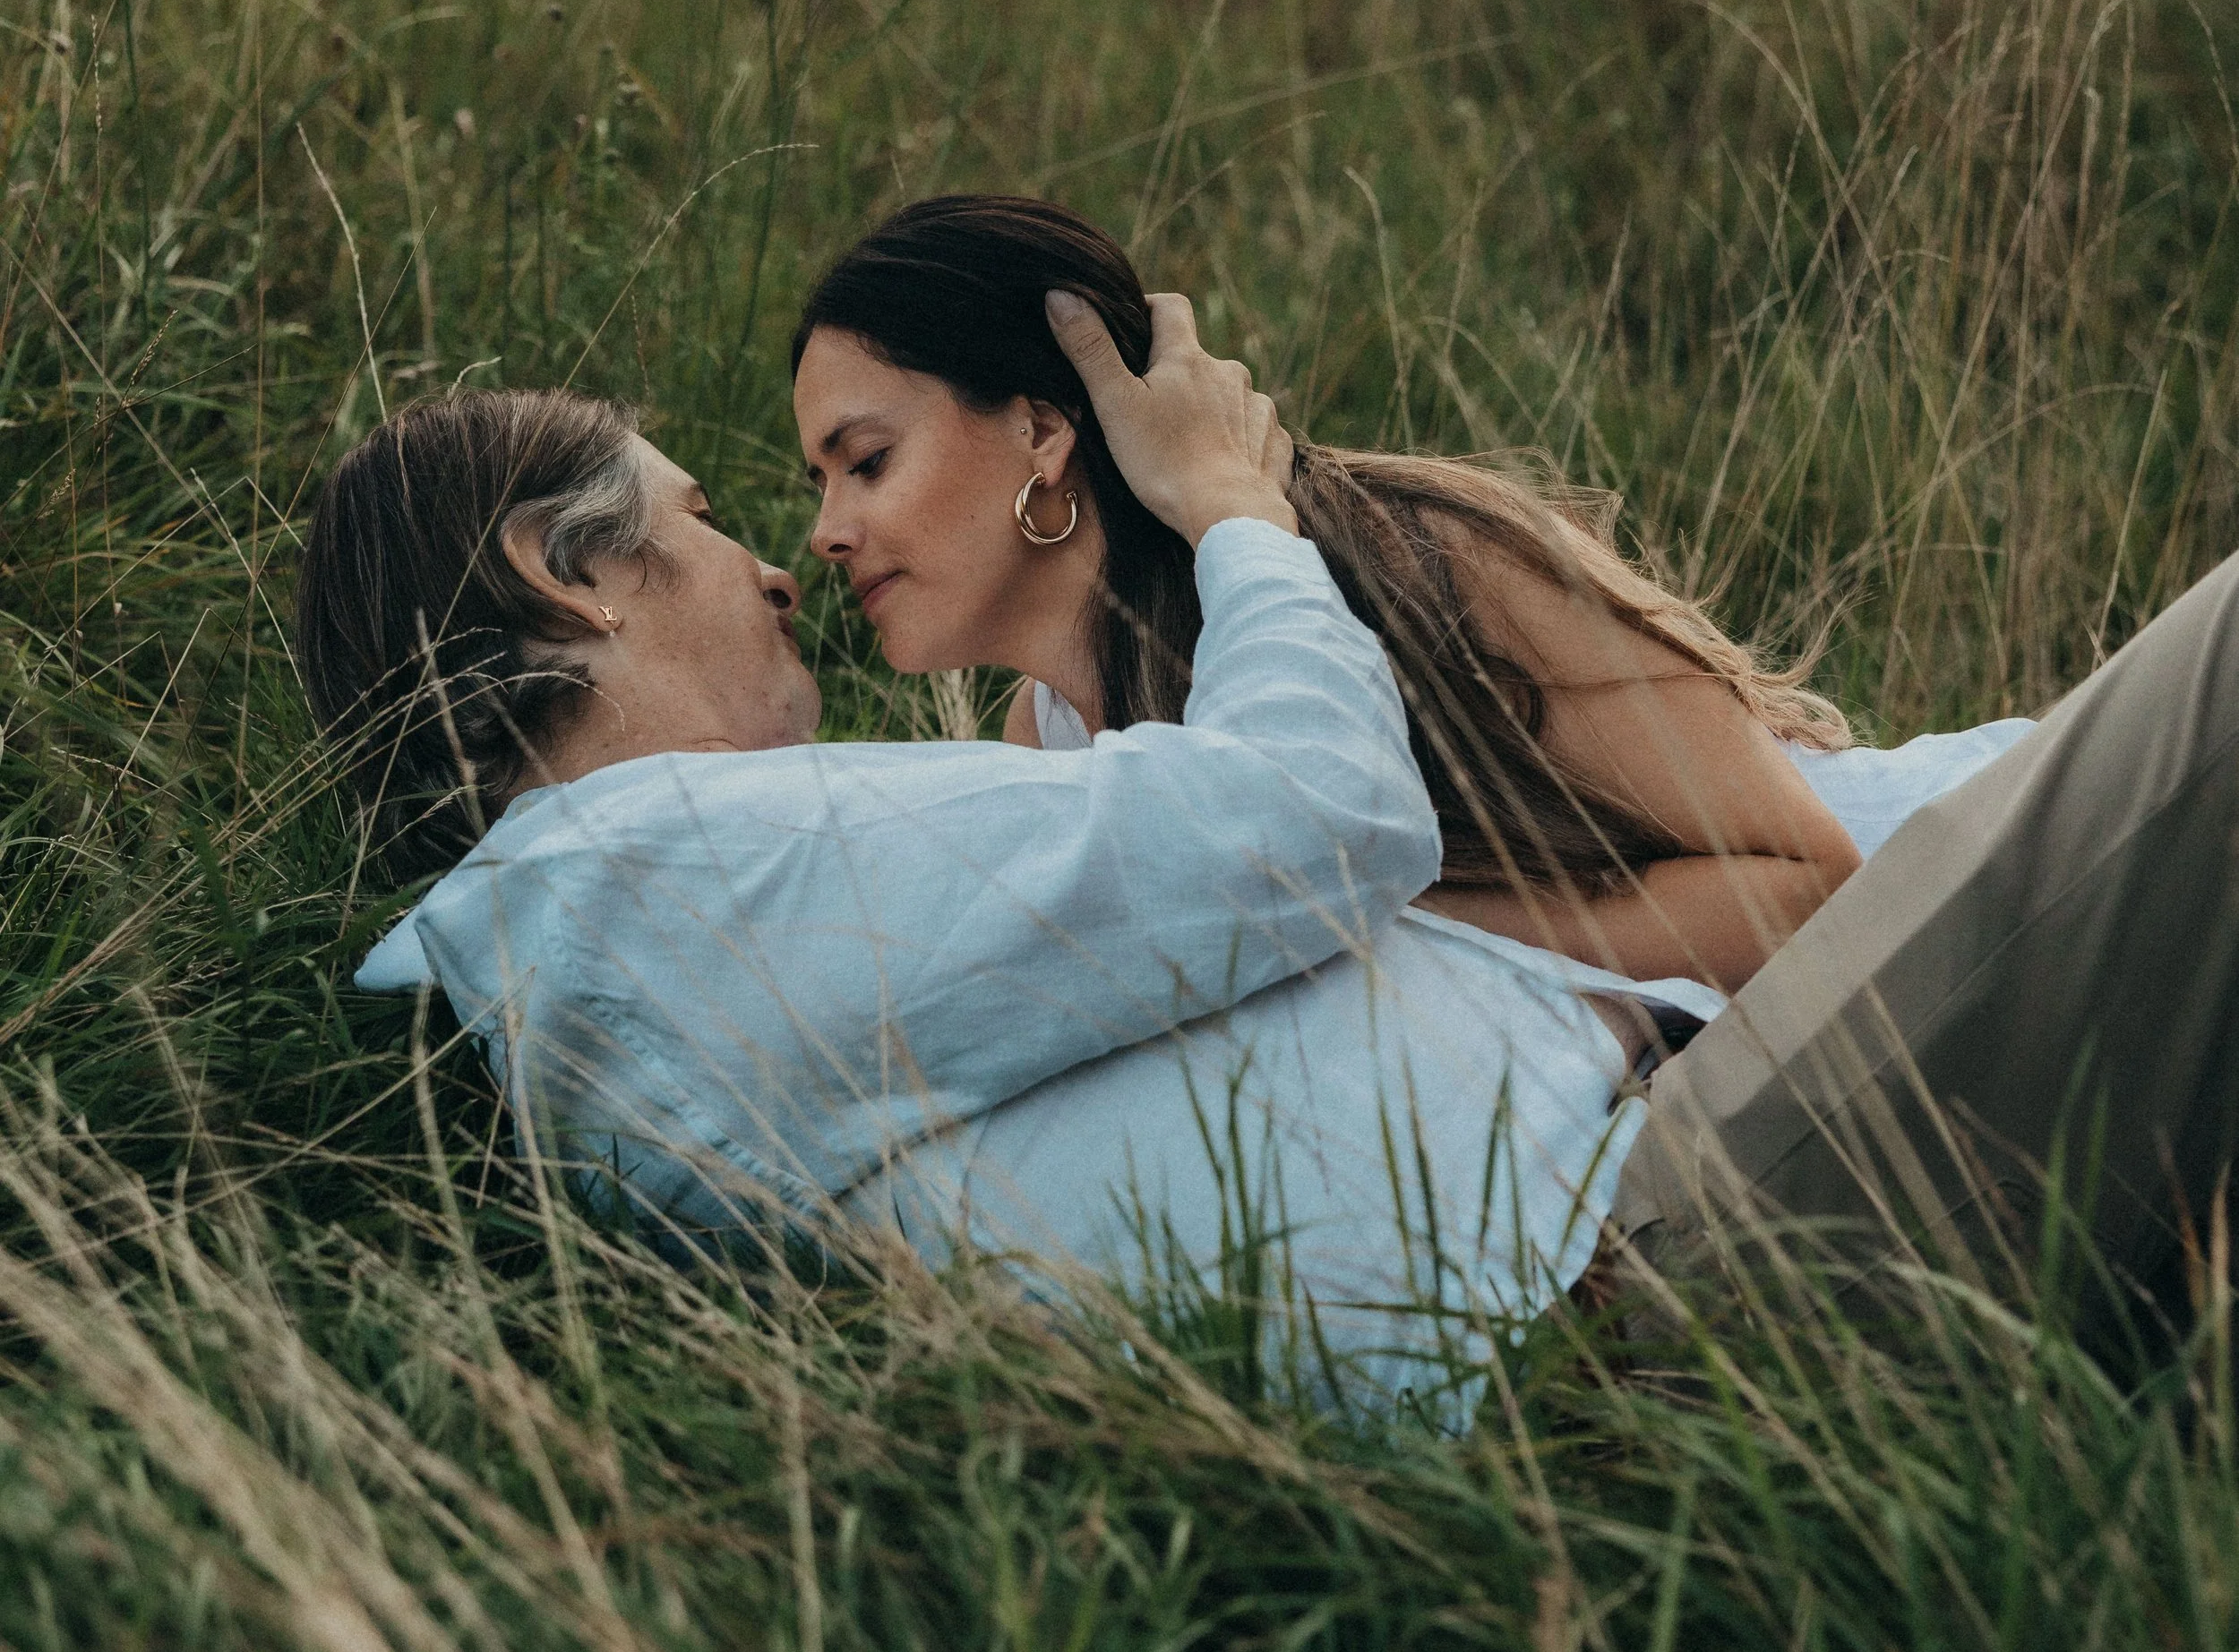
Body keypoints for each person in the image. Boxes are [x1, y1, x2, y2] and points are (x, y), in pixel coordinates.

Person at [302, 321, 1687, 1414]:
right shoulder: (673, 876)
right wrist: (1234, 507)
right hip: (1613, 1236)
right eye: (700, 514)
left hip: (1562, 1253)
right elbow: (1322, 806)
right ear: (565, 573)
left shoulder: (609, 932)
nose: (779, 568)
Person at [791, 194, 2035, 998]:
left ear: (1041, 431)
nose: (826, 531)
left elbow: (1810, 884)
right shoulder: (1053, 736)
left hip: (1981, 905)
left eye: (868, 461)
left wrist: (1370, 924)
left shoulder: (1418, 559)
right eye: (821, 481)